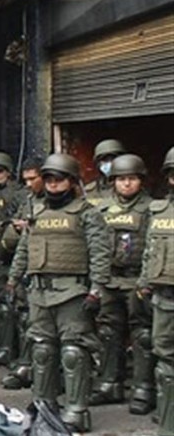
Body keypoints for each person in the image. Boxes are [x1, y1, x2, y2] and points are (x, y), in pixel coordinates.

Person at [7, 153, 111, 433]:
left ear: (72, 181)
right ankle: (44, 406)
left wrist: (96, 291)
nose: (53, 185)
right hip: (39, 292)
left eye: (59, 179)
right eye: (49, 179)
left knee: (74, 352)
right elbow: (24, 249)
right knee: (41, 350)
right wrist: (13, 279)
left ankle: (77, 410)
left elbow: (100, 254)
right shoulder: (36, 213)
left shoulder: (87, 213)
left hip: (73, 292)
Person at [93, 154, 152, 410]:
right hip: (109, 279)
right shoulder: (102, 209)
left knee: (142, 335)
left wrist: (147, 280)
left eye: (131, 179)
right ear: (112, 182)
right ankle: (109, 383)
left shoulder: (152, 208)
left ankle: (143, 388)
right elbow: (94, 245)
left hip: (137, 279)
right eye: (121, 179)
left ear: (141, 180)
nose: (126, 184)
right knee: (107, 333)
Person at [131, 147, 174, 436]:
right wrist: (145, 282)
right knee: (165, 363)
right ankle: (169, 432)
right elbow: (149, 252)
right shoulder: (159, 213)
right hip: (165, 297)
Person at [1, 157, 45, 389]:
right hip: (28, 268)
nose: (28, 184)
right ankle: (26, 364)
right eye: (25, 179)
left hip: (53, 271)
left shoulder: (59, 204)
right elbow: (12, 241)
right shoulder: (28, 202)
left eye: (33, 178)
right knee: (24, 318)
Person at [0, 151, 28, 367]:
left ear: (9, 173)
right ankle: (3, 348)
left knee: (12, 306)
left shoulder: (19, 195)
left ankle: (10, 351)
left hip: (14, 256)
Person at [85, 139, 126, 208]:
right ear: (98, 163)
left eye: (113, 159)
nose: (110, 163)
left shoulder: (130, 186)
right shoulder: (89, 190)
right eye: (105, 160)